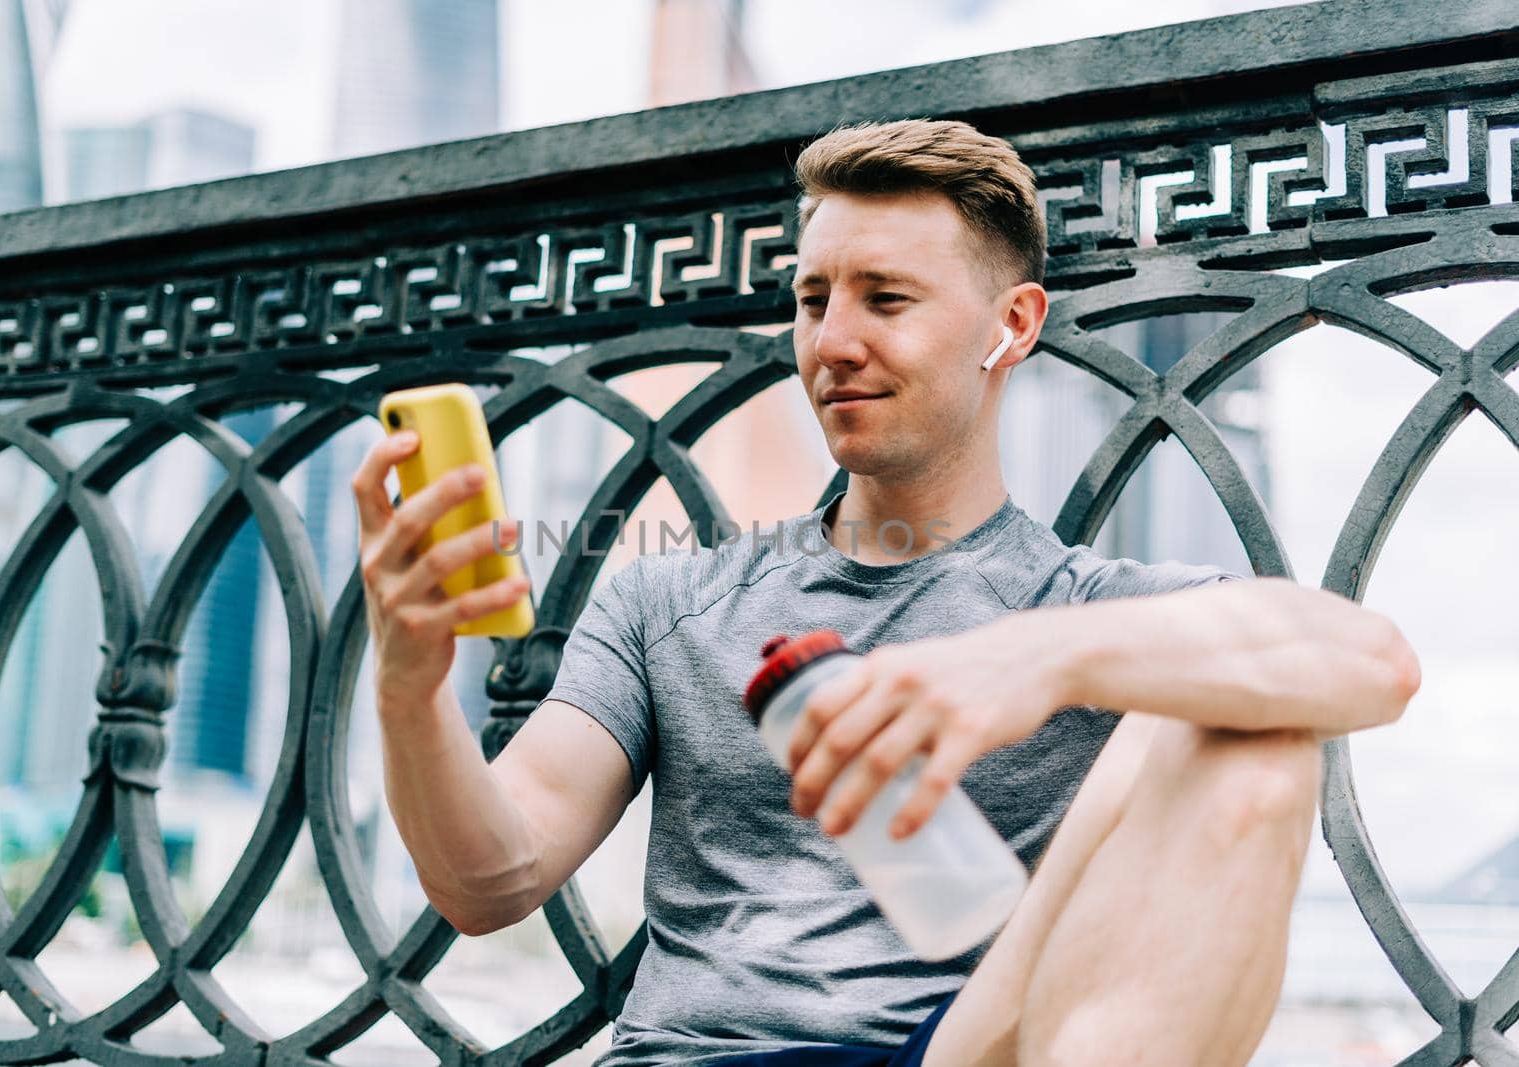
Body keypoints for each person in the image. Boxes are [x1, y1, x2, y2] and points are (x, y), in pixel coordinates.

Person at [351, 119, 1421, 1067]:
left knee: (1247, 728)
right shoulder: (669, 598)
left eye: (886, 299)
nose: (833, 342)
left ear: (1011, 324)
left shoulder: (1095, 607)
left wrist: (1040, 658)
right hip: (699, 1053)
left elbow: (1371, 663)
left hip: (963, 1043)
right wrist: (407, 688)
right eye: (814, 299)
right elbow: (486, 882)